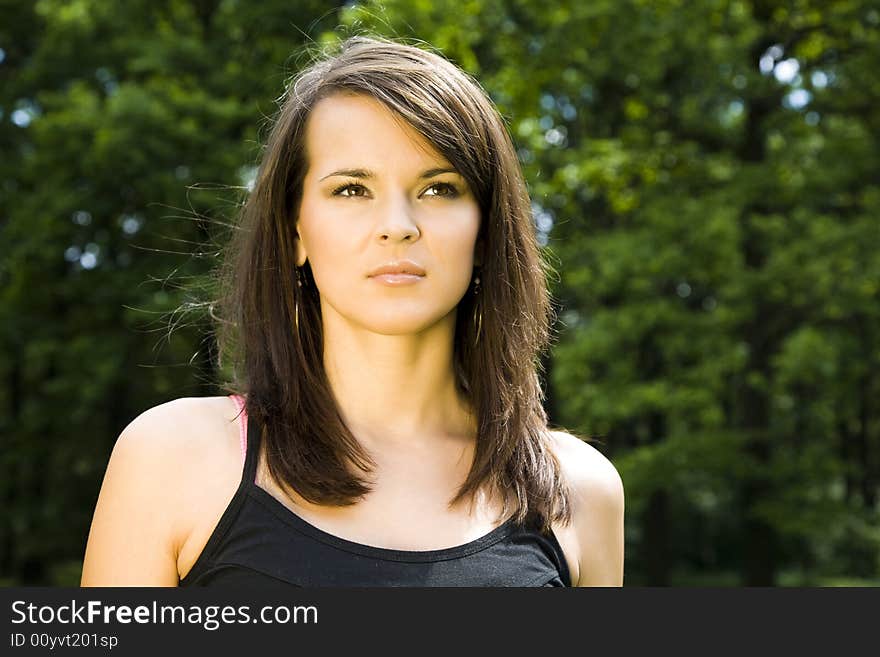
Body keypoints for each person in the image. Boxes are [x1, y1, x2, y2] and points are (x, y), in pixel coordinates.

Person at [80, 35, 624, 587]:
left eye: (438, 189)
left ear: (485, 232)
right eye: (351, 190)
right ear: (295, 230)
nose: (398, 223)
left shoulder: (578, 490)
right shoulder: (172, 458)